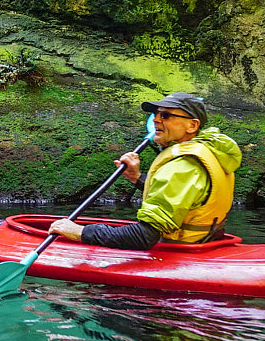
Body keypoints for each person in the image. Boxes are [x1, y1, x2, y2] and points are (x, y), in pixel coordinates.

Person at [50, 92, 241, 250]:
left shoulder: (183, 165)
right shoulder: (211, 150)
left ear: (192, 125)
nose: (156, 119)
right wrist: (137, 178)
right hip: (208, 244)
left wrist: (81, 232)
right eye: (157, 114)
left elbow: (144, 237)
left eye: (166, 115)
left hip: (182, 251)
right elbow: (186, 200)